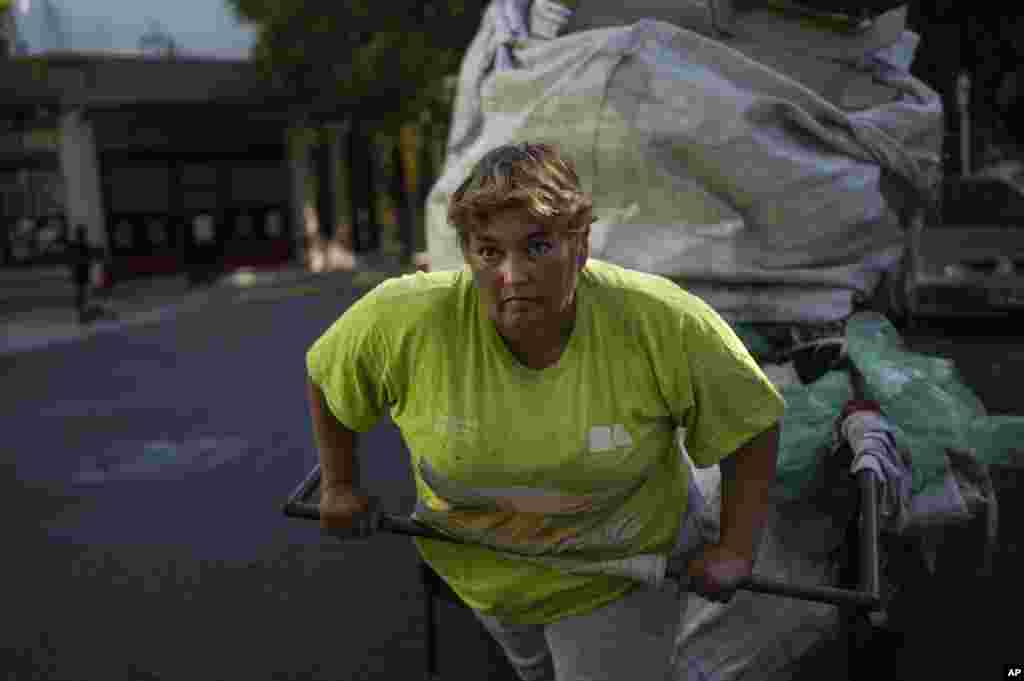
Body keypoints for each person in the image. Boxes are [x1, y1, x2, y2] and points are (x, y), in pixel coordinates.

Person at [306, 142, 785, 681]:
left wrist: (735, 550)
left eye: (537, 247)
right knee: (533, 670)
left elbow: (751, 420)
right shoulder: (407, 319)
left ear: (578, 244)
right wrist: (338, 484)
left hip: (617, 573)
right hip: (483, 571)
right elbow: (328, 374)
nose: (513, 275)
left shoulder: (661, 321)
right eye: (490, 252)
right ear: (467, 254)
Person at [69, 224, 93, 324]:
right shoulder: (83, 245)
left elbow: (72, 260)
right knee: (81, 294)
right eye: (82, 233)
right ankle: (81, 314)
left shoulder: (77, 246)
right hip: (81, 272)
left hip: (81, 272)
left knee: (81, 294)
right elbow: (87, 259)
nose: (83, 235)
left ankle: (81, 314)